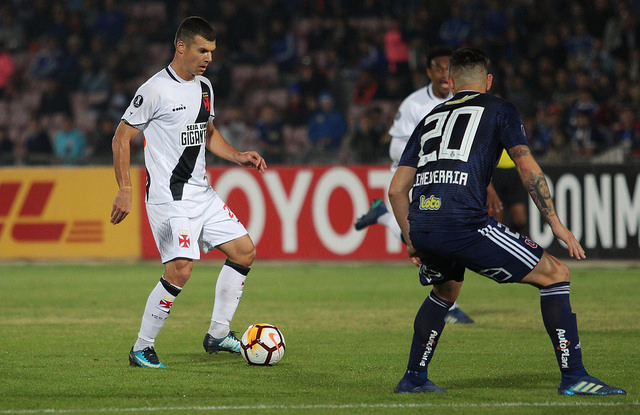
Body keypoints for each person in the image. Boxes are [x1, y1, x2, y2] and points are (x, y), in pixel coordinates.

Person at [388, 47, 625, 396]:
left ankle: (413, 378)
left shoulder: (430, 117)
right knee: (556, 273)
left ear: (450, 82)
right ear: (488, 81)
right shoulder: (500, 109)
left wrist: (412, 238)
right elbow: (527, 167)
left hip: (423, 222)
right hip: (464, 222)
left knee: (445, 290)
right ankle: (575, 377)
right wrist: (556, 222)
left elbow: (396, 190)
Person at [110, 16, 267, 369]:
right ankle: (141, 347)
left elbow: (207, 133)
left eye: (211, 51)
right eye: (201, 50)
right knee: (180, 269)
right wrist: (125, 188)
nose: (208, 57)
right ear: (181, 47)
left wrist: (238, 155)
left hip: (202, 193)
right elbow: (121, 138)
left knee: (244, 252)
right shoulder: (154, 89)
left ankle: (217, 334)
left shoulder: (205, 87)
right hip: (169, 197)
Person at [354, 46, 476, 324]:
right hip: (418, 179)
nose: (445, 75)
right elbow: (397, 148)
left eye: (450, 69)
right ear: (430, 72)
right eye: (439, 69)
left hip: (448, 179)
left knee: (432, 239)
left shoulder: (465, 101)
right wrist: (427, 161)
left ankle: (384, 217)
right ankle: (449, 306)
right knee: (431, 240)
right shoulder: (414, 104)